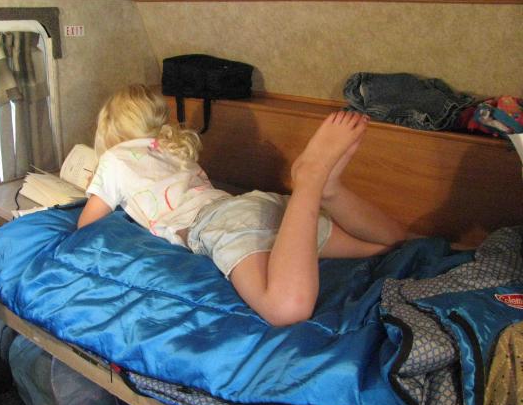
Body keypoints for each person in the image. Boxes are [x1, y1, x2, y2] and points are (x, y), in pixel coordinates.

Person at [78, 84, 407, 327]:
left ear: (110, 129)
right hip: (255, 207)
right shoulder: (172, 147)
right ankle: (328, 189)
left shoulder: (113, 158)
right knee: (386, 244)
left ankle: (310, 178)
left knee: (284, 309)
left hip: (224, 225)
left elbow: (87, 226)